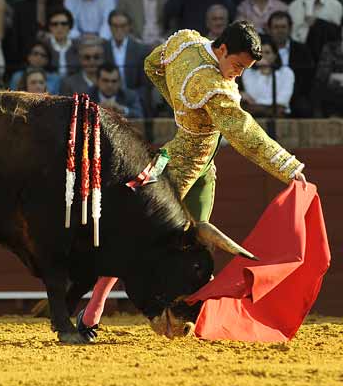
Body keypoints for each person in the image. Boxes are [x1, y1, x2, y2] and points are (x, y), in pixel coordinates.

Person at [76, 21, 307, 341]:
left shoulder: (187, 41)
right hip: (180, 171)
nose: (238, 74)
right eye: (238, 65)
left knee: (192, 255)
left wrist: (183, 107)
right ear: (223, 49)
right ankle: (91, 314)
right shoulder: (213, 85)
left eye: (245, 69)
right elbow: (244, 134)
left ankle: (184, 314)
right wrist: (287, 167)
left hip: (197, 167)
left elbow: (152, 64)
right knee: (136, 240)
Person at [10, 0, 62, 66]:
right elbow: (16, 36)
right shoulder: (21, 7)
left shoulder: (58, 6)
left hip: (52, 54)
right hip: (26, 56)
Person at [267, 11, 315, 118]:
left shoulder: (302, 50)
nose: (280, 31)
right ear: (269, 29)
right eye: (276, 27)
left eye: (283, 27)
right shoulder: (262, 49)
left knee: (304, 107)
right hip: (265, 94)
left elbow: (307, 78)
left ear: (290, 28)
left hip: (295, 95)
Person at [241, 36, 294, 117]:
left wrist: (259, 104)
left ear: (275, 55)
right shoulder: (248, 72)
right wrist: (263, 73)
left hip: (280, 115)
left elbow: (282, 101)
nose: (262, 57)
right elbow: (253, 96)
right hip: (256, 114)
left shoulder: (286, 72)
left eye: (267, 53)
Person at [46, 7, 79, 76]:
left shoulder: (79, 45)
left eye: (64, 24)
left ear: (70, 26)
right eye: (55, 24)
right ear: (49, 27)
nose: (59, 27)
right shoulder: (44, 46)